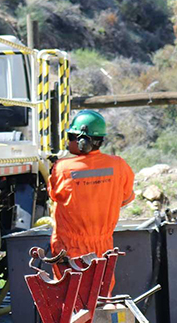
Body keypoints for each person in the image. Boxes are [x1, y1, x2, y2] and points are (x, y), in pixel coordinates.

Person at [49, 109, 135, 260]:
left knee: (70, 283)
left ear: (83, 141)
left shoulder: (63, 168)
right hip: (104, 246)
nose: (68, 141)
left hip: (70, 248)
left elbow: (55, 195)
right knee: (102, 282)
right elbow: (125, 198)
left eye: (70, 137)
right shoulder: (119, 165)